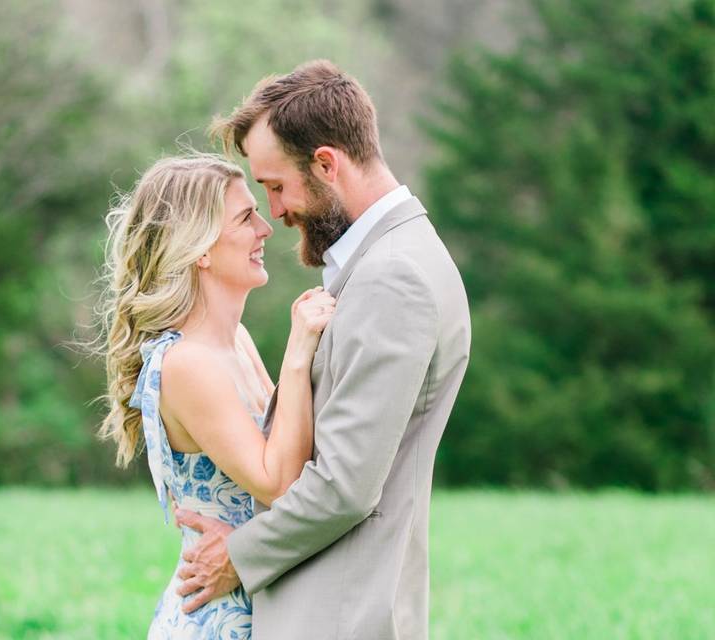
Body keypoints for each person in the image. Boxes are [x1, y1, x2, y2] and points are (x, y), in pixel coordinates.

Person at [172, 60, 472, 640]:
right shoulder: (397, 258)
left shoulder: (393, 277)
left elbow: (345, 484)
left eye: (276, 186)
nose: (275, 212)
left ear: (327, 164)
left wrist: (236, 554)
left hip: (338, 614)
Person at [97, 153, 336, 639]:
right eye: (246, 217)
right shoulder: (187, 364)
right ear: (201, 248)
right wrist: (297, 352)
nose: (266, 229)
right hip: (216, 622)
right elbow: (277, 482)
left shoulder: (236, 340)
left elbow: (294, 447)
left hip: (258, 605)